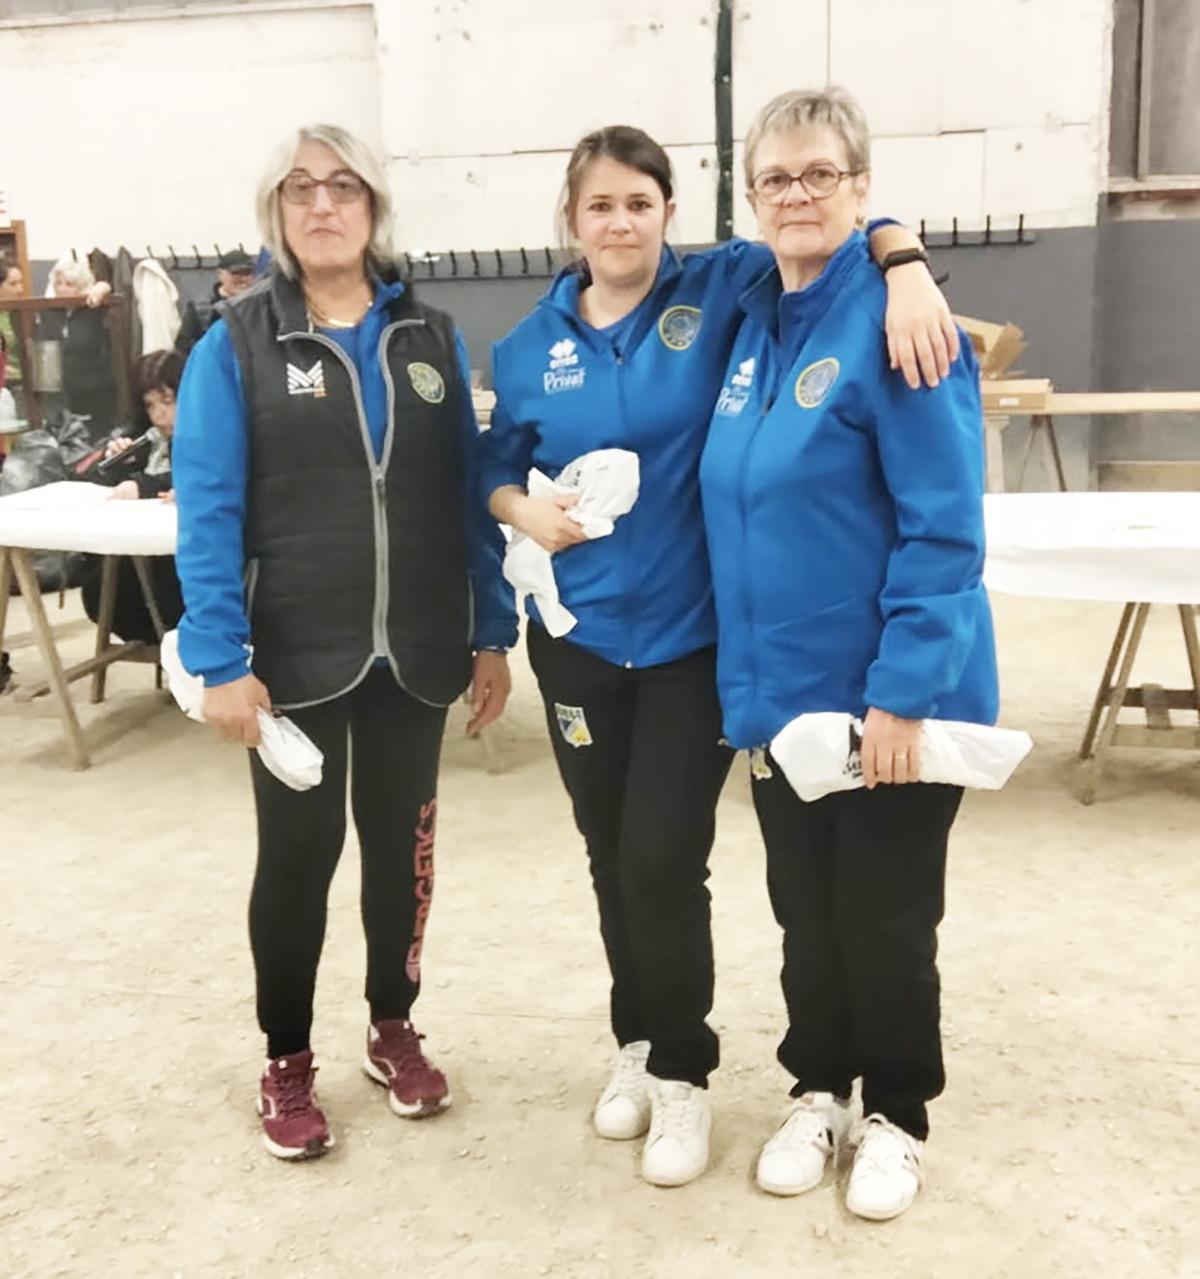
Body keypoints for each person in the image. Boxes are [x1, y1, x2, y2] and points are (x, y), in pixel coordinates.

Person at [480, 123, 958, 1188]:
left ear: (670, 214)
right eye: (599, 204)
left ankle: (701, 1075)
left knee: (666, 856)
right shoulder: (525, 346)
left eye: (640, 203)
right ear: (572, 217)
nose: (620, 222)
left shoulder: (724, 293)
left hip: (700, 646)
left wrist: (907, 260)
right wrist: (525, 507)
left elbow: (821, 227)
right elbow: (492, 469)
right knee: (619, 859)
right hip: (585, 642)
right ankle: (647, 1048)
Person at [171, 123, 516, 1161]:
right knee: (298, 859)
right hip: (297, 657)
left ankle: (392, 1023)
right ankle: (286, 1058)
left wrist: (490, 629)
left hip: (415, 650)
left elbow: (468, 492)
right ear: (277, 214)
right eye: (301, 190)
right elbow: (208, 509)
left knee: (402, 857)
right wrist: (221, 659)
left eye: (344, 187)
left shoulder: (431, 337)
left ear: (373, 208)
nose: (323, 205)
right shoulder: (233, 345)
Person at [699, 87, 998, 1219]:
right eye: (776, 177)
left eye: (821, 175)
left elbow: (944, 525)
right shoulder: (748, 311)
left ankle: (896, 1114)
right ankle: (817, 1086)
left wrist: (905, 694)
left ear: (862, 186)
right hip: (779, 705)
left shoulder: (898, 326)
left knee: (884, 915)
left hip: (886, 700)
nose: (796, 195)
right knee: (804, 909)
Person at [81, 350, 185, 643]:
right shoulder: (145, 438)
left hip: (180, 568)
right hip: (136, 565)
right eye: (151, 405)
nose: (160, 415)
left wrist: (144, 485)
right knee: (102, 586)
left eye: (168, 401)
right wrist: (118, 463)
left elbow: (203, 473)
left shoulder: (210, 434)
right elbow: (95, 485)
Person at [40, 255, 119, 440]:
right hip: (59, 396)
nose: (62, 288)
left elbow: (108, 288)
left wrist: (101, 288)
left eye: (69, 284)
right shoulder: (48, 313)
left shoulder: (93, 310)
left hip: (94, 393)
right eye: (58, 283)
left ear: (82, 287)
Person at [176, 248, 256, 357]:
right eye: (236, 273)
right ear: (220, 274)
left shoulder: (261, 307)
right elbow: (183, 347)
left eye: (247, 272)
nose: (242, 278)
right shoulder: (200, 310)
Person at [0, 256, 25, 410]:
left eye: (21, 282)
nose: (20, 289)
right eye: (13, 284)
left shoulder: (24, 313)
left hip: (23, 386)